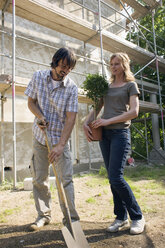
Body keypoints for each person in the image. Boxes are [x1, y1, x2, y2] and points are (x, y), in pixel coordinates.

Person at [83, 52, 145, 235]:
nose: (114, 66)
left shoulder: (130, 85)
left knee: (116, 177)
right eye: (111, 64)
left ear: (124, 65)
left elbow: (134, 112)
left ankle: (138, 217)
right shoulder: (106, 87)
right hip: (105, 135)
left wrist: (107, 121)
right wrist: (85, 123)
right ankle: (120, 217)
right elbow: (97, 108)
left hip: (120, 133)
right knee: (111, 178)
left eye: (117, 63)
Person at [25, 47, 79, 231]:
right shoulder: (38, 76)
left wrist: (61, 145)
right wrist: (40, 117)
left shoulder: (71, 87)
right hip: (40, 137)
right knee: (40, 179)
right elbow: (31, 102)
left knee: (65, 180)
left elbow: (71, 118)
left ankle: (71, 219)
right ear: (55, 62)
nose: (65, 70)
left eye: (69, 68)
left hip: (60, 139)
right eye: (63, 65)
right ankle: (43, 215)